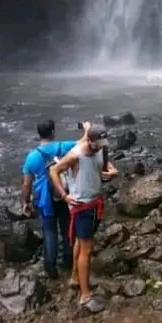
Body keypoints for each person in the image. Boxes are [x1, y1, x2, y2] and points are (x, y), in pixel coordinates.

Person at [50, 125, 118, 313]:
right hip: (82, 207)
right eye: (97, 144)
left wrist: (112, 173)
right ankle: (85, 296)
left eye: (102, 144)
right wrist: (64, 196)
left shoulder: (101, 149)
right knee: (86, 250)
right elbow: (54, 171)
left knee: (81, 243)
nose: (100, 147)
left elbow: (108, 167)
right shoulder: (75, 155)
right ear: (88, 140)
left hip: (95, 204)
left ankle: (74, 278)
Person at [21, 119, 90, 278]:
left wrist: (26, 202)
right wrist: (86, 129)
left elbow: (26, 184)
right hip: (63, 194)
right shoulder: (62, 147)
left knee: (49, 232)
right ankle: (68, 260)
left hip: (44, 200)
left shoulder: (32, 156)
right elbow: (84, 142)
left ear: (39, 134)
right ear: (53, 132)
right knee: (67, 228)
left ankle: (50, 267)